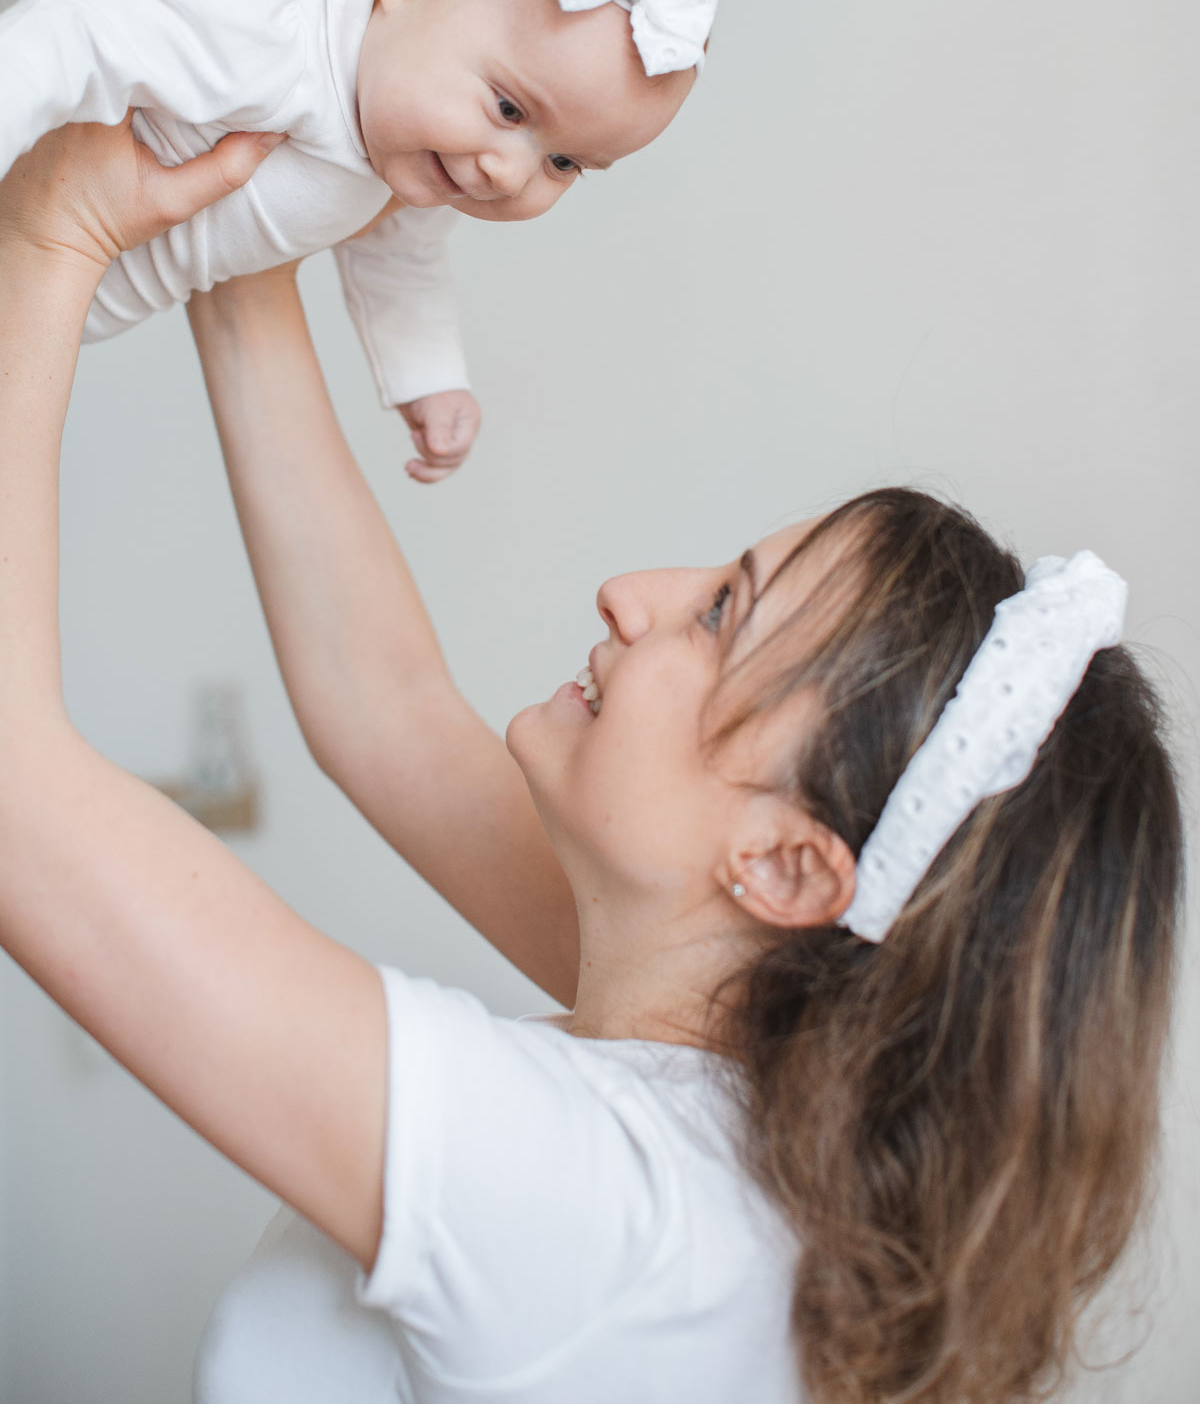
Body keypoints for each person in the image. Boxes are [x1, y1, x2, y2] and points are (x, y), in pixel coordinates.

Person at [0, 119, 1183, 1404]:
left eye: (723, 613)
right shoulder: (743, 1090)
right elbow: (383, 708)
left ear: (789, 864)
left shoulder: (617, 1214)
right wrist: (242, 230)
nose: (631, 595)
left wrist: (47, 240)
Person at [0, 0, 717, 482]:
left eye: (563, 163)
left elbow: (400, 246)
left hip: (45, 318)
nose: (508, 171)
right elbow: (73, 29)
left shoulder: (432, 149)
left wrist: (426, 373)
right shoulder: (277, 26)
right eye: (508, 108)